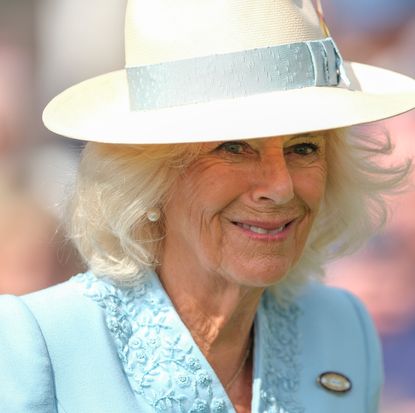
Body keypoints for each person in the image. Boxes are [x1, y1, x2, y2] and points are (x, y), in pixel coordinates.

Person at [1, 0, 414, 412]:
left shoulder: (344, 329)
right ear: (150, 176)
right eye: (233, 147)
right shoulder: (37, 344)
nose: (280, 186)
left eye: (304, 147)